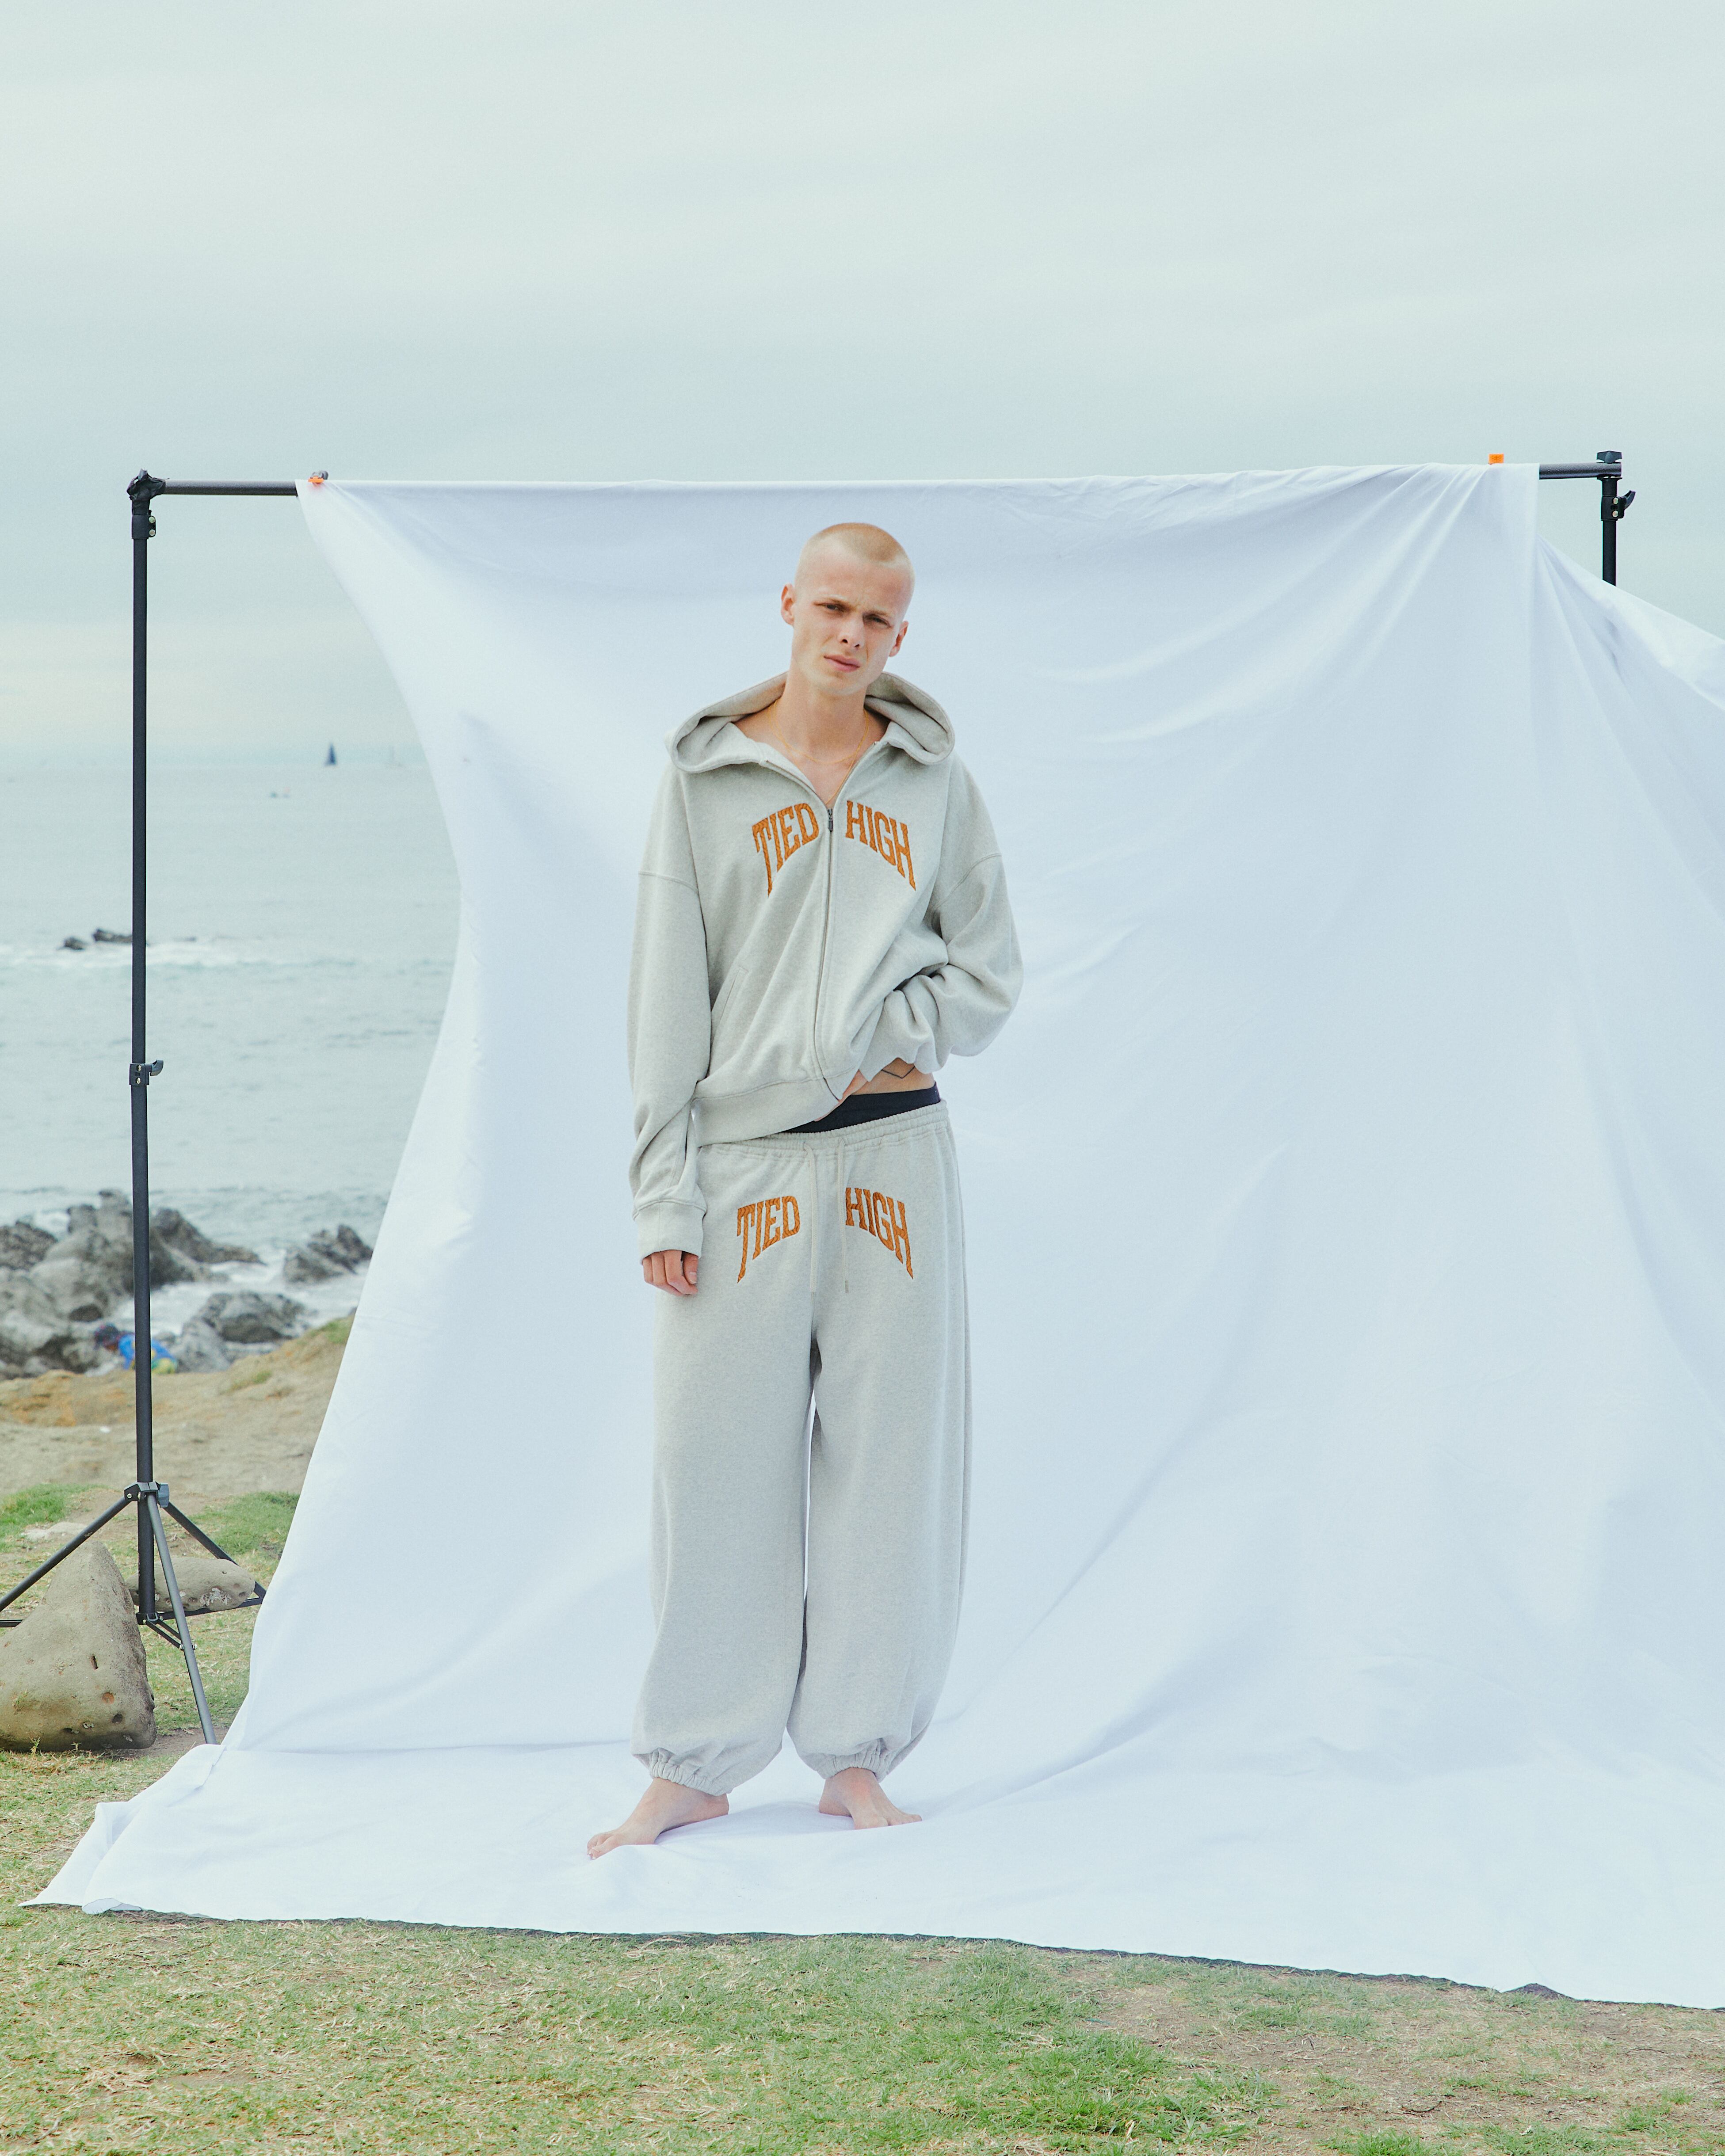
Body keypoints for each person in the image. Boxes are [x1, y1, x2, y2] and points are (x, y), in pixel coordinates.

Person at [588, 522, 1022, 1859]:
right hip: (748, 1167)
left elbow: (990, 971)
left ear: (902, 635)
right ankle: (695, 1764)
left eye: (877, 619)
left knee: (892, 1471)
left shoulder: (935, 783)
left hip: (896, 1159)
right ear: (789, 604)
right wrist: (664, 1197)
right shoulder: (704, 780)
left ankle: (859, 1755)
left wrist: (903, 1020)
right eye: (832, 607)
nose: (850, 635)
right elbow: (668, 999)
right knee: (712, 1469)